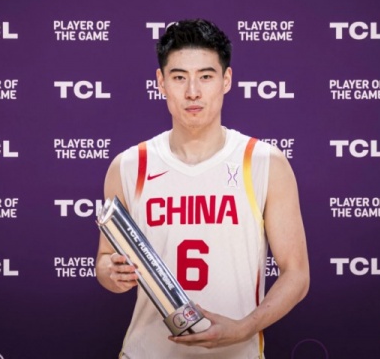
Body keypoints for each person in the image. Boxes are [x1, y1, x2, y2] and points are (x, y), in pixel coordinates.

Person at [95, 19, 310, 358]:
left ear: (226, 80)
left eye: (206, 76)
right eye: (179, 77)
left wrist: (245, 327)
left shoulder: (264, 162)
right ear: (161, 82)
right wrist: (111, 273)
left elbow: (296, 274)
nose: (192, 91)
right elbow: (105, 261)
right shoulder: (128, 166)